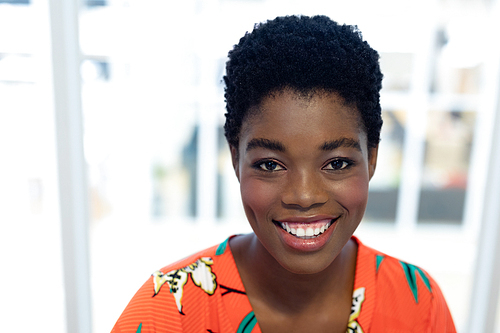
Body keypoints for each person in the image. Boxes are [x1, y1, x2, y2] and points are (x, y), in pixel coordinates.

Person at [112, 15, 456, 333]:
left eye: (336, 163)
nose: (304, 195)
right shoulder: (166, 311)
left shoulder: (418, 305)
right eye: (270, 165)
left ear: (372, 159)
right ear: (236, 159)